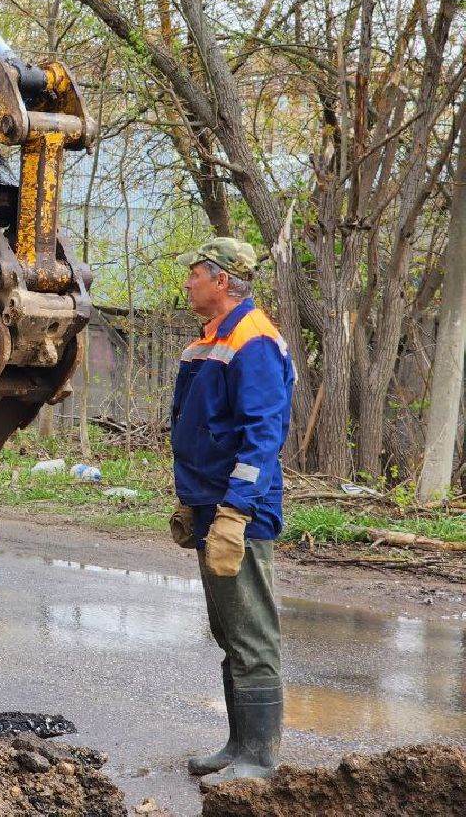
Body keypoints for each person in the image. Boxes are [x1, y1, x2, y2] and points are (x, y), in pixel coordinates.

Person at [170, 236, 294, 785]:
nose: (189, 282)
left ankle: (259, 758)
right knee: (229, 633)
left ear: (222, 279)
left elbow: (263, 435)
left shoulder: (253, 339)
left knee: (251, 635)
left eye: (196, 272)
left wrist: (235, 512)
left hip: (238, 510)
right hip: (211, 505)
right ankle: (237, 744)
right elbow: (201, 428)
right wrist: (192, 501)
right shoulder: (209, 339)